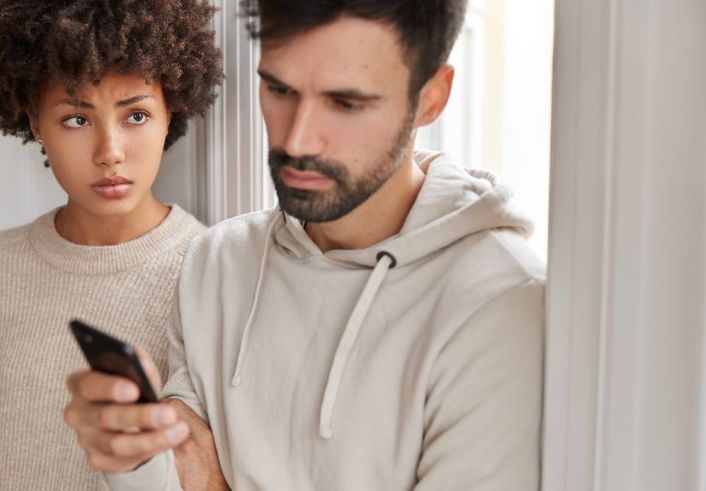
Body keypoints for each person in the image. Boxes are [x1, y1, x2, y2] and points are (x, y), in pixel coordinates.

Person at [65, 0, 545, 489]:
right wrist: (132, 462)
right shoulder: (217, 261)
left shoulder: (500, 305)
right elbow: (179, 471)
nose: (297, 141)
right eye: (279, 89)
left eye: (346, 103)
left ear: (431, 97)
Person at [0, 0, 223, 489]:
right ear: (35, 123)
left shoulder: (213, 274)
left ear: (171, 114)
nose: (109, 153)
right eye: (76, 120)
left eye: (136, 116)